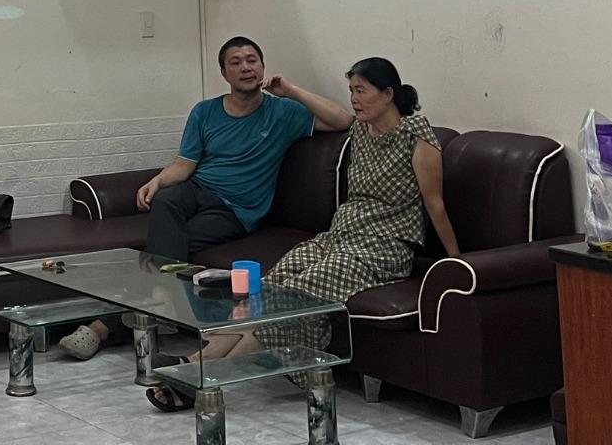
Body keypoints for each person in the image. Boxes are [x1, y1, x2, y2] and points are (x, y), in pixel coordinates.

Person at [145, 56, 459, 413]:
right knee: (271, 286)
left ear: (388, 94)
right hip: (339, 236)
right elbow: (340, 120)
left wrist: (457, 263)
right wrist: (293, 91)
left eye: (361, 91)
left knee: (296, 294)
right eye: (351, 91)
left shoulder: (418, 138)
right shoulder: (360, 132)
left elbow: (435, 207)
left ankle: (201, 377)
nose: (354, 100)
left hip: (382, 247)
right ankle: (196, 364)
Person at [57, 36, 313, 360]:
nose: (245, 67)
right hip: (198, 188)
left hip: (236, 210)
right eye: (235, 62)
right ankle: (161, 300)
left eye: (252, 60)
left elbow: (342, 120)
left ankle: (110, 324)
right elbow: (184, 164)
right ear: (224, 73)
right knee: (165, 201)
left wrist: (291, 90)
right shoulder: (205, 111)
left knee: (169, 244)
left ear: (263, 67)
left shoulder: (285, 112)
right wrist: (156, 181)